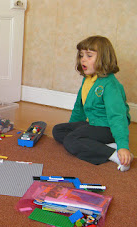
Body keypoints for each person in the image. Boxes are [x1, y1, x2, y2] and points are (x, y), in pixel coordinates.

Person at [52, 35, 133, 171]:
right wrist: (72, 127)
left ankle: (113, 154)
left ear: (103, 58)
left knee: (71, 140)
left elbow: (117, 117)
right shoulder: (88, 80)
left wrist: (123, 145)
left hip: (108, 128)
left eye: (89, 56)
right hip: (94, 124)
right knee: (58, 130)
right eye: (81, 55)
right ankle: (102, 146)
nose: (83, 59)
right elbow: (79, 107)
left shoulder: (110, 85)